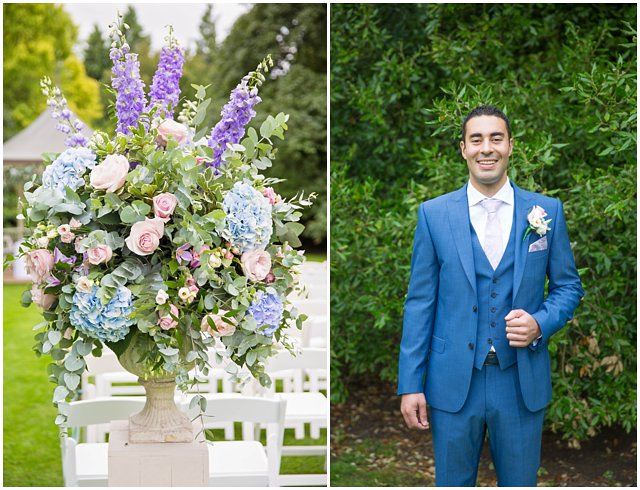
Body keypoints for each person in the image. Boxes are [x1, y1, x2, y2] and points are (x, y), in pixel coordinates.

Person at [397, 105, 584, 486]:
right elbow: (420, 302)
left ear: (510, 146)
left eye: (496, 138)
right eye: (476, 139)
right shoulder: (433, 215)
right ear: (462, 149)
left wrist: (540, 323)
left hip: (519, 382)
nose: (487, 148)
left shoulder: (545, 211)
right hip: (451, 382)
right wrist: (411, 383)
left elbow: (568, 286)